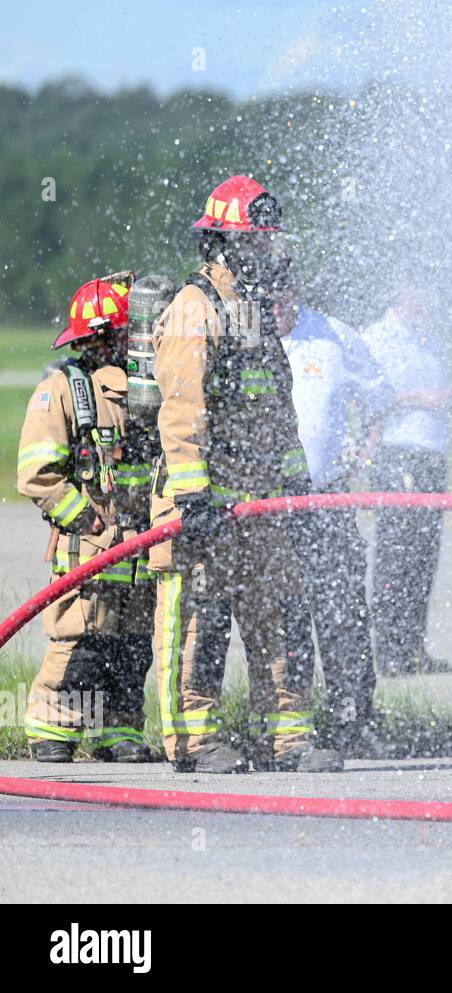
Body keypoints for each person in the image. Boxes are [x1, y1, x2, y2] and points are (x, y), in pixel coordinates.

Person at [149, 174, 341, 773]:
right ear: (223, 243)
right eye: (254, 245)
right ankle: (195, 743)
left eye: (268, 245)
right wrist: (193, 497)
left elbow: (281, 414)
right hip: (205, 509)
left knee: (278, 618)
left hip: (263, 511)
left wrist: (298, 492)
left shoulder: (254, 313)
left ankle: (283, 739)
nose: (264, 256)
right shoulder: (194, 308)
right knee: (200, 629)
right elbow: (182, 410)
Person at [17, 276, 156, 762]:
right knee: (80, 643)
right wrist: (86, 522)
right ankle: (51, 730)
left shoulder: (146, 394)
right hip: (89, 551)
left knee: (135, 648)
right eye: (114, 337)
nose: (114, 346)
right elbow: (36, 474)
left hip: (141, 552)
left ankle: (120, 732)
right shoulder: (60, 391)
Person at [274, 277, 394, 755]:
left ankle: (355, 719)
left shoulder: (334, 336)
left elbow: (380, 395)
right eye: (268, 297)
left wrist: (365, 447)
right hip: (273, 507)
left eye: (284, 297)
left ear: (296, 292)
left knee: (344, 612)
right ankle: (290, 726)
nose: (277, 307)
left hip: (327, 501)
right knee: (287, 618)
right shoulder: (245, 337)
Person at [359, 291, 452, 675]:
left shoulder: (428, 337)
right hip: (397, 452)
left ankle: (413, 646)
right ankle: (387, 651)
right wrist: (420, 398)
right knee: (395, 555)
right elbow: (366, 399)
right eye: (419, 294)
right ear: (401, 294)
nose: (427, 302)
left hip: (431, 454)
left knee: (423, 556)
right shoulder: (377, 338)